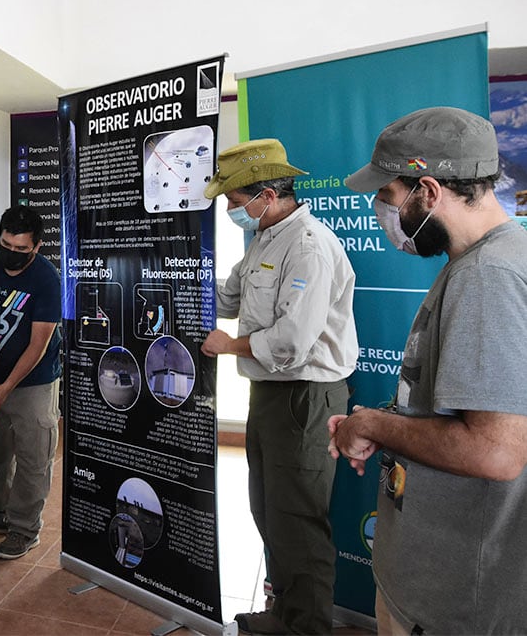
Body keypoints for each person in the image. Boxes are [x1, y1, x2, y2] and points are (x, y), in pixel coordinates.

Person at [328, 107, 527, 634]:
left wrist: (370, 425)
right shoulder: (476, 262)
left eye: (388, 197)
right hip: (432, 581)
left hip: (453, 602)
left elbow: (496, 451)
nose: (380, 211)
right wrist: (384, 421)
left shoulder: (488, 276)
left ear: (429, 192)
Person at [201, 139, 358, 635]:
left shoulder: (308, 245)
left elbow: (292, 342)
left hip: (306, 398)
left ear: (266, 195)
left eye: (233, 201)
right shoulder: (265, 238)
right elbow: (230, 296)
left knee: (298, 523)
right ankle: (284, 614)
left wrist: (228, 346)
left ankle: (308, 627)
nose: (230, 211)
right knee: (269, 513)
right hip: (270, 395)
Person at [0, 206, 63, 560]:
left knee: (33, 457)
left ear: (37, 246)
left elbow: (38, 344)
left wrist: (8, 385)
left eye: (21, 250)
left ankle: (24, 530)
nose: (11, 255)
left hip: (33, 382)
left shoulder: (47, 278)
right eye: (6, 245)